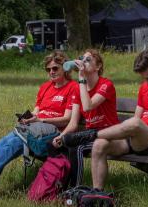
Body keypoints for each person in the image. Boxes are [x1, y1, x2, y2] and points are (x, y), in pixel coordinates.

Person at [61, 49, 148, 190]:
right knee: (99, 145)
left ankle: (90, 135)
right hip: (134, 138)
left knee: (135, 123)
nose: (147, 81)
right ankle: (97, 193)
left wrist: (144, 128)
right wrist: (136, 128)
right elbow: (137, 117)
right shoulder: (145, 88)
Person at [0, 50, 78, 190]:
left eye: (55, 68)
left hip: (55, 133)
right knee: (4, 142)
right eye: (48, 69)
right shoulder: (45, 87)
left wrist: (40, 120)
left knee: (17, 141)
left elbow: (67, 119)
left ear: (65, 68)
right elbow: (36, 111)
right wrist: (28, 119)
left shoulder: (73, 87)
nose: (51, 72)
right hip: (37, 128)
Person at [51, 49, 119, 187]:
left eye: (88, 60)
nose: (83, 62)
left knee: (77, 148)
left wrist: (81, 78)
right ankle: (58, 188)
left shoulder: (106, 85)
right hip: (89, 134)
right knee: (61, 143)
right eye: (82, 59)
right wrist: (62, 136)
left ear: (98, 67)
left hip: (108, 134)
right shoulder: (78, 89)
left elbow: (88, 106)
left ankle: (75, 189)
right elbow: (73, 123)